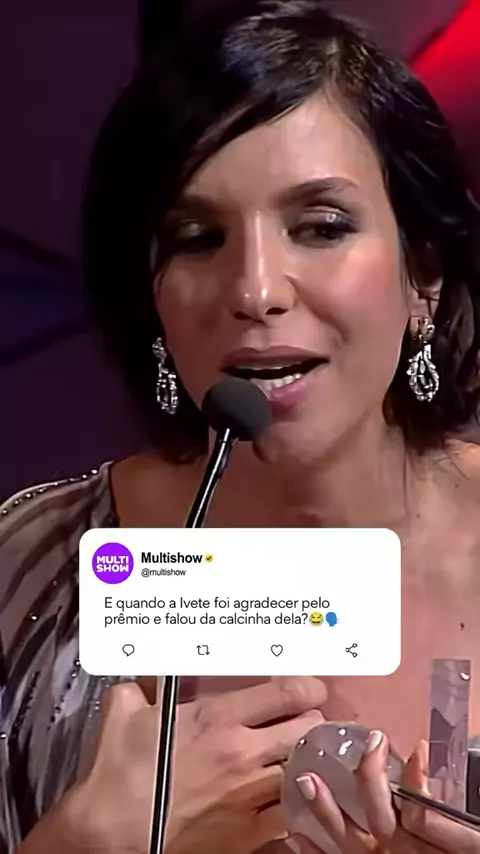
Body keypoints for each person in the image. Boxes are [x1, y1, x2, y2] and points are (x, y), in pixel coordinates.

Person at [1, 0, 480, 851]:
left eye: (320, 227)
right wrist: (88, 843)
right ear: (151, 297)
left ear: (424, 274)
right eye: (197, 238)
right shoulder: (29, 575)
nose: (255, 289)